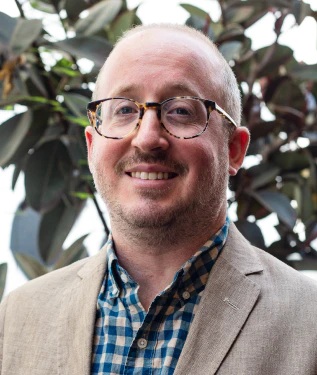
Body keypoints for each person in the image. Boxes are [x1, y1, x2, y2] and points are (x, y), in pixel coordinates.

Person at [0, 23, 317, 375]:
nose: (147, 138)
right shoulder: (17, 318)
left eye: (180, 110)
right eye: (123, 110)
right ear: (92, 147)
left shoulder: (310, 323)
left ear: (234, 150)